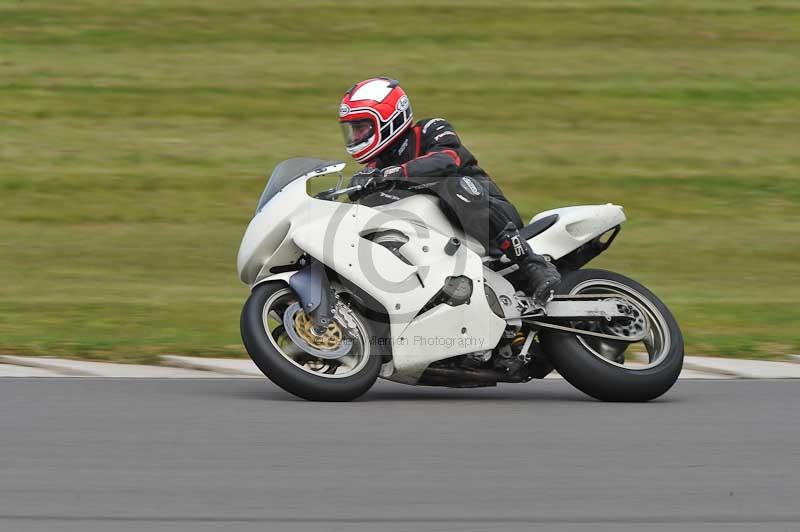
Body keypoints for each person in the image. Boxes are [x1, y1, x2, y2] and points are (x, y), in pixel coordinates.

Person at [339, 77, 560, 305]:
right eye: (353, 130)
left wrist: (389, 175)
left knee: (452, 183)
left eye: (361, 128)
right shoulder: (374, 171)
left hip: (489, 216)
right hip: (446, 241)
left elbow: (445, 161)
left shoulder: (431, 129)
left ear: (390, 119)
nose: (356, 137)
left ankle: (533, 264)